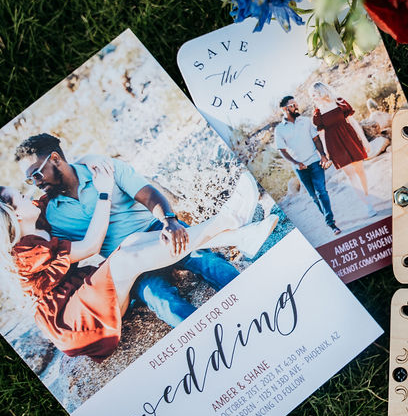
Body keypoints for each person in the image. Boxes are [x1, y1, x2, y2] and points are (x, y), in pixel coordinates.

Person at [0, 165, 276, 360]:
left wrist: (85, 162)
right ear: (13, 217)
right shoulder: (24, 254)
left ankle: (240, 241)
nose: (28, 194)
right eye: (20, 197)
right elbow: (91, 247)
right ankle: (227, 225)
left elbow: (68, 173)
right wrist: (105, 192)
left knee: (134, 246)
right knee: (136, 272)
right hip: (76, 320)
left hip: (92, 289)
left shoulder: (37, 212)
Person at [14, 134, 241, 327]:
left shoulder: (102, 168)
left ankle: (250, 295)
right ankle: (210, 336)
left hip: (156, 231)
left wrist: (169, 220)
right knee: (162, 301)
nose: (36, 184)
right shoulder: (52, 215)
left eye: (37, 174)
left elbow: (147, 194)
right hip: (129, 264)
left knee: (205, 260)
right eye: (29, 180)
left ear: (55, 158)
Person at [274, 95, 341, 235]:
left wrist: (322, 155)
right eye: (292, 105)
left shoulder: (305, 121)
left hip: (314, 161)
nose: (296, 106)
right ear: (285, 109)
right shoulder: (279, 130)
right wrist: (296, 163)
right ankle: (328, 218)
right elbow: (282, 150)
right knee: (314, 197)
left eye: (296, 103)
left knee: (321, 191)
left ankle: (331, 223)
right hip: (300, 168)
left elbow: (316, 139)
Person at [309, 82, 376, 216]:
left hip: (350, 139)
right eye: (312, 96)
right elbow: (322, 135)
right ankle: (367, 204)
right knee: (351, 174)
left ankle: (367, 195)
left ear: (322, 92)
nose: (313, 97)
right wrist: (326, 154)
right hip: (335, 145)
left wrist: (364, 140)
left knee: (360, 171)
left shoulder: (340, 103)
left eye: (315, 94)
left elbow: (353, 122)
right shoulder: (317, 114)